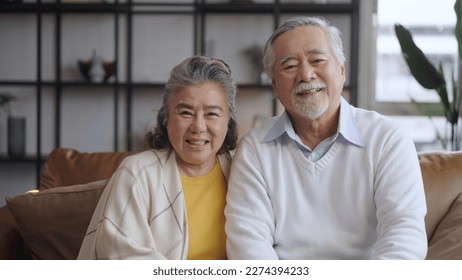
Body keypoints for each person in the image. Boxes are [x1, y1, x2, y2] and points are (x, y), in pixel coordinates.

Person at [224, 16, 428, 259]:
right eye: (289, 66)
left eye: (317, 60)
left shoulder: (388, 139)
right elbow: (249, 243)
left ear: (341, 71)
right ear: (275, 86)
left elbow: (404, 233)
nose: (306, 74)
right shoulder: (255, 149)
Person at [78, 55, 238, 260]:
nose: (198, 127)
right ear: (166, 117)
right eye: (186, 112)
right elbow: (121, 256)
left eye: (212, 114)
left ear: (228, 121)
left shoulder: (244, 170)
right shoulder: (137, 172)